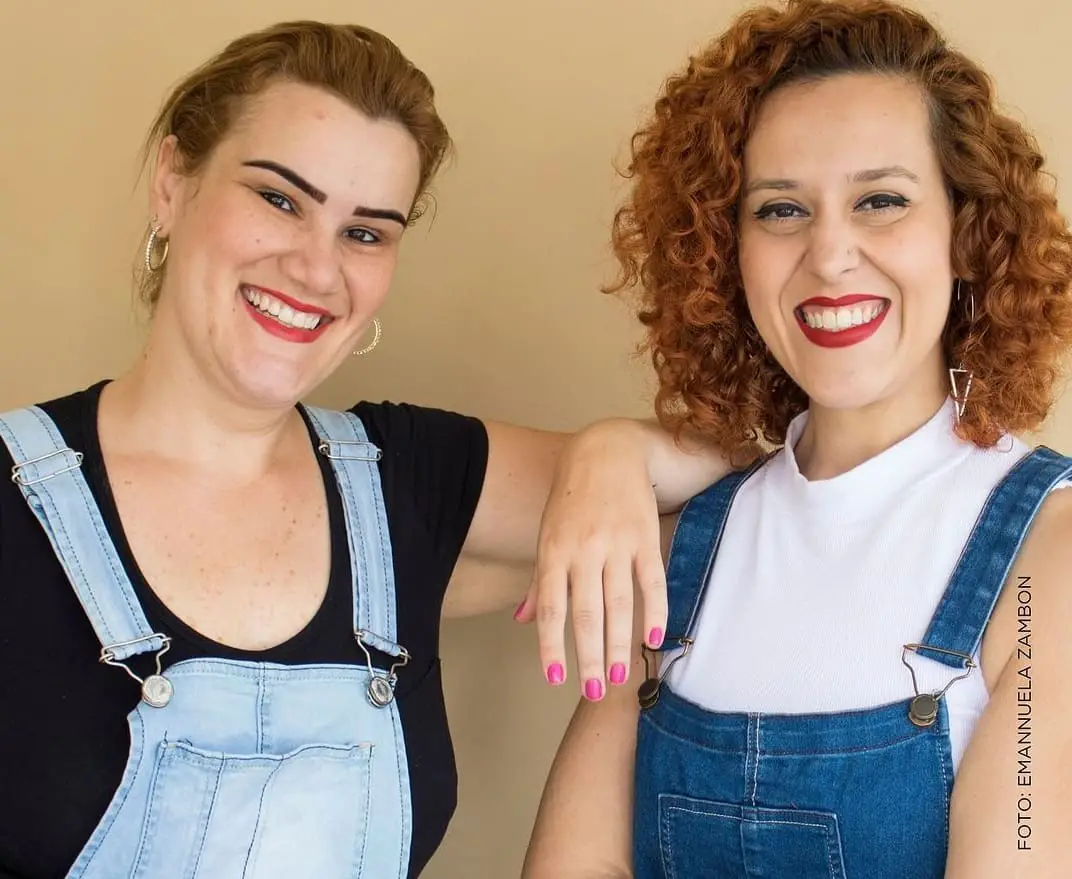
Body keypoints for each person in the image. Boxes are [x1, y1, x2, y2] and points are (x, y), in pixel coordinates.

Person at [0, 21, 741, 879]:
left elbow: (758, 475)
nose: (316, 270)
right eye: (279, 198)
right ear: (174, 182)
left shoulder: (403, 484)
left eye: (366, 232)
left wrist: (613, 450)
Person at [523, 1, 1072, 877]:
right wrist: (609, 446)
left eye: (881, 201)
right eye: (780, 210)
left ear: (968, 234)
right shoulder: (673, 542)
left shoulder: (1049, 556)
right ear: (725, 251)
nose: (830, 254)